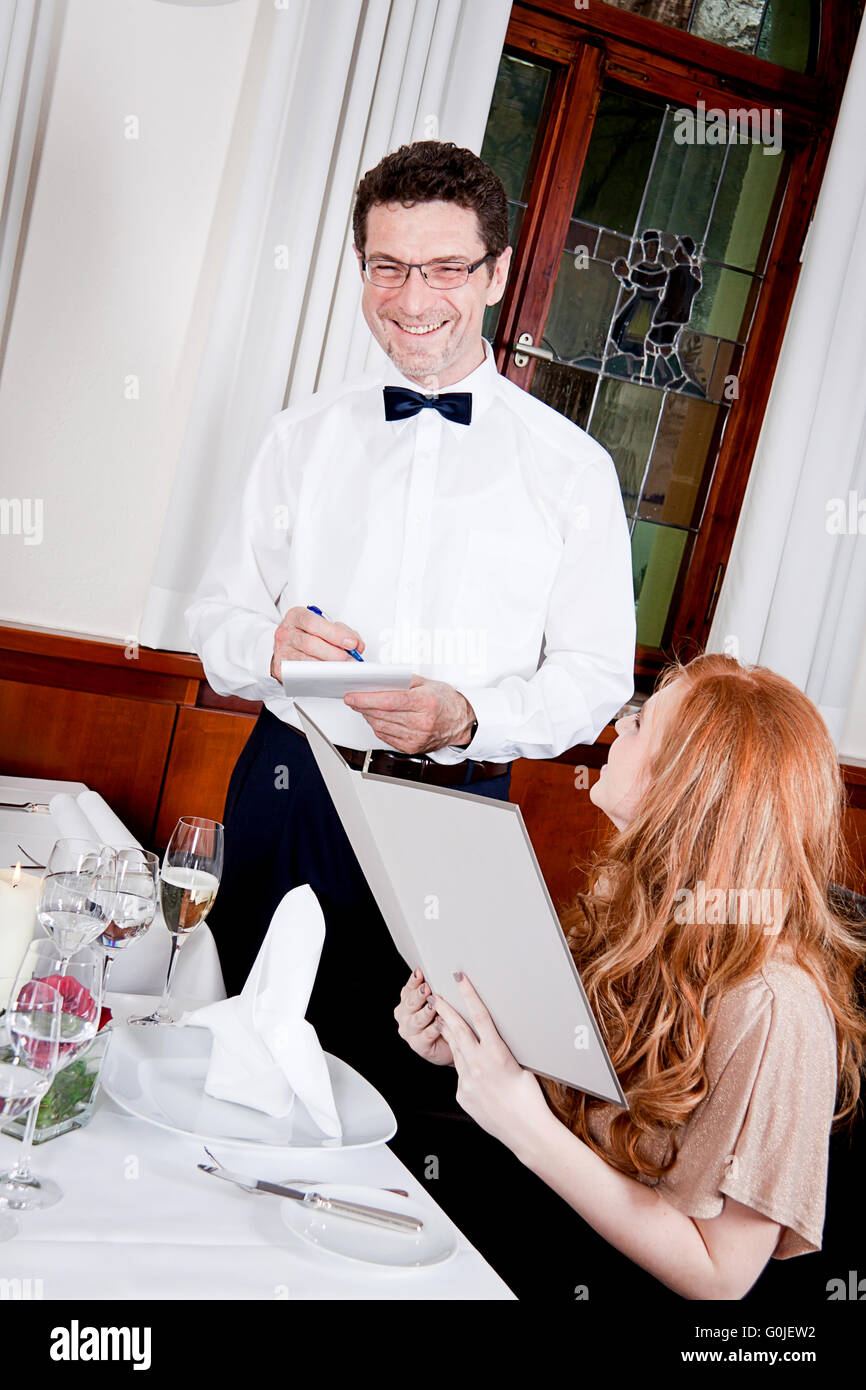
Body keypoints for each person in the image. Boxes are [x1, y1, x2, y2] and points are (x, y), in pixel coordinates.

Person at [185, 140, 635, 1108]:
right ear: (361, 272)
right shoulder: (298, 436)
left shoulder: (569, 468)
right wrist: (264, 644)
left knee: (400, 1088)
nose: (412, 295)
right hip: (289, 780)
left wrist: (464, 717)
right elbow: (215, 616)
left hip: (454, 810)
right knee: (228, 1052)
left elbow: (596, 675)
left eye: (443, 267)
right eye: (387, 266)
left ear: (496, 274)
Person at [395, 653, 866, 1298]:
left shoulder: (778, 1005)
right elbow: (576, 1107)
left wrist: (521, 1122)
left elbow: (721, 1277)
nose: (619, 730)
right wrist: (472, 1050)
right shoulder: (634, 911)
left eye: (641, 724)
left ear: (686, 785)